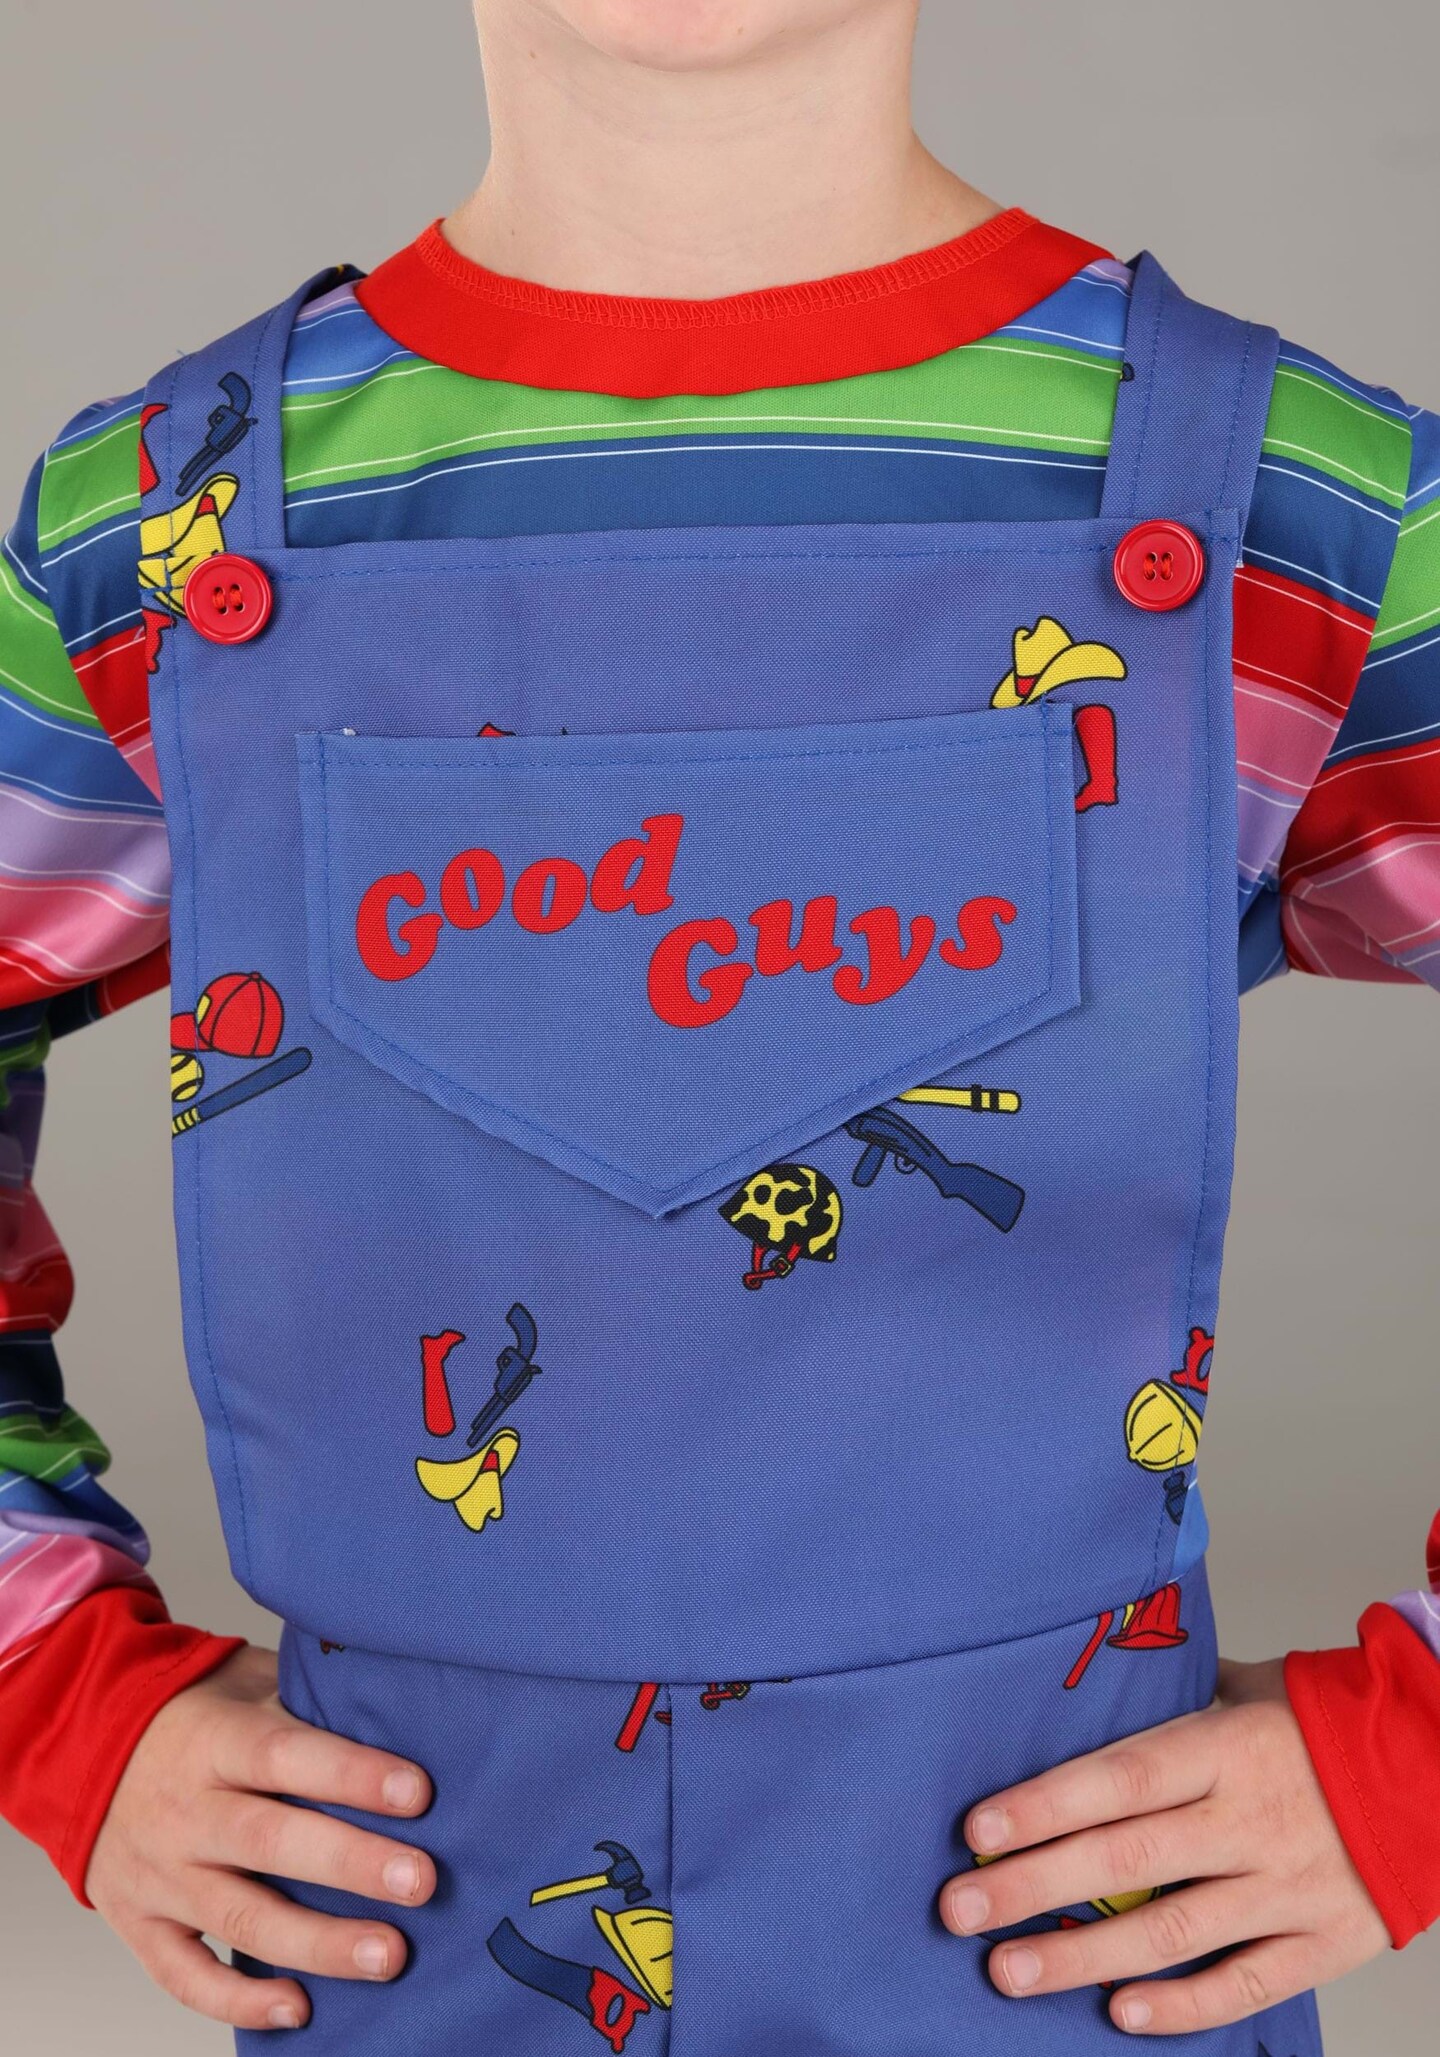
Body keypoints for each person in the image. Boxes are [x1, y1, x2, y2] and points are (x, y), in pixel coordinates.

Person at [1, 2, 1436, 2050]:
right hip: (407, 1918)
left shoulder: (1297, 515)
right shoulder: (162, 530)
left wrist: (1410, 1760)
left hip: (1063, 1932)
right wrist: (57, 1691)